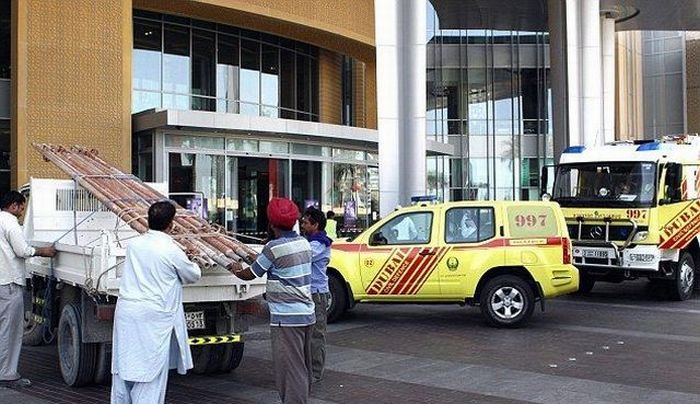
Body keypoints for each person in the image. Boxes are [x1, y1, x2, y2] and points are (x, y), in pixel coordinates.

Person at [111, 201, 201, 404]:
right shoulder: (171, 249)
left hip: (127, 312)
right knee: (150, 376)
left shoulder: (134, 245)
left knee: (124, 367)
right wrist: (191, 257)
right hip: (153, 317)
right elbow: (193, 274)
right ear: (171, 225)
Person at [231, 198, 315, 404]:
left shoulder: (273, 248)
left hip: (286, 319)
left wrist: (234, 269)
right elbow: (272, 263)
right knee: (302, 365)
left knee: (289, 369)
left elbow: (251, 274)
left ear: (271, 223)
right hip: (307, 314)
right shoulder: (303, 243)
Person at [0, 191, 56, 389]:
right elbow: (22, 251)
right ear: (14, 206)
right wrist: (43, 251)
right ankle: (7, 374)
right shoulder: (10, 223)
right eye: (22, 207)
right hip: (9, 284)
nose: (22, 211)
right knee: (11, 330)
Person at [300, 208, 333, 383]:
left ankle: (314, 372)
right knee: (306, 334)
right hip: (308, 293)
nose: (303, 225)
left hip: (317, 295)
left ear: (316, 224)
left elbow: (302, 257)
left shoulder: (319, 244)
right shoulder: (309, 241)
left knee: (316, 335)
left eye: (306, 222)